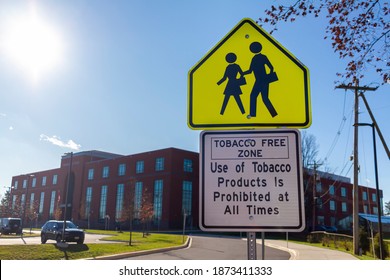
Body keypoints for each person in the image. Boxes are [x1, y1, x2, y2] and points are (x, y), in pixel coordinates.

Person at [243, 42, 278, 118]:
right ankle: (274, 114)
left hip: (260, 80)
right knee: (264, 98)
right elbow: (271, 68)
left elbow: (250, 71)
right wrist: (268, 77)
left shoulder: (256, 58)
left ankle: (253, 115)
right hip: (263, 80)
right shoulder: (261, 57)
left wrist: (243, 73)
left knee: (253, 96)